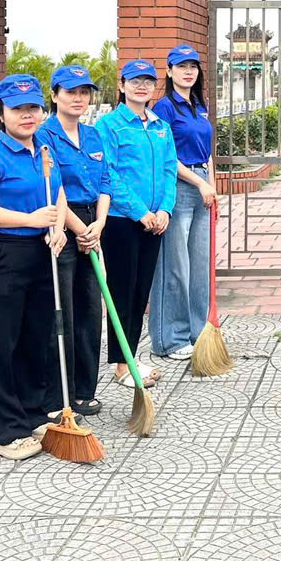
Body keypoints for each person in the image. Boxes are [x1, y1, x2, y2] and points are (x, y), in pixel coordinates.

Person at [0, 74, 66, 461]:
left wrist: (58, 228)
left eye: (33, 108)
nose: (27, 115)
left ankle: (30, 413)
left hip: (42, 253)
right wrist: (30, 220)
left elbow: (58, 193)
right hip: (5, 255)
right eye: (17, 108)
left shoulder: (45, 151)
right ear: (1, 114)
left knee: (35, 338)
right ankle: (0, 431)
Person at [94, 59, 176, 389]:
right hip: (123, 221)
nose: (141, 87)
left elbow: (169, 169)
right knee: (122, 292)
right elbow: (108, 174)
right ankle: (120, 364)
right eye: (134, 81)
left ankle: (131, 355)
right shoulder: (109, 125)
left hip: (156, 221)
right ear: (122, 86)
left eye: (147, 81)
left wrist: (165, 209)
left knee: (141, 292)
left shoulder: (160, 126)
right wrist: (140, 211)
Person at [38, 64, 109, 417]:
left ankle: (84, 390)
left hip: (93, 223)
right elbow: (54, 188)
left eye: (84, 92)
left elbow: (105, 181)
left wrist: (99, 225)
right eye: (70, 92)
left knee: (90, 310)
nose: (78, 98)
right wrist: (79, 230)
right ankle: (59, 396)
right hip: (62, 225)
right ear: (54, 96)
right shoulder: (45, 135)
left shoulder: (93, 135)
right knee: (62, 312)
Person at [150, 45, 217, 360]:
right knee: (176, 267)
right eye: (181, 66)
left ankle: (199, 333)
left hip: (203, 187)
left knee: (200, 268)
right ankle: (171, 339)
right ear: (169, 71)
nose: (188, 72)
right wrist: (200, 183)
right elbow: (167, 156)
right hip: (178, 188)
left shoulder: (200, 105)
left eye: (193, 66)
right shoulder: (164, 108)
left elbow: (207, 151)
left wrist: (211, 186)